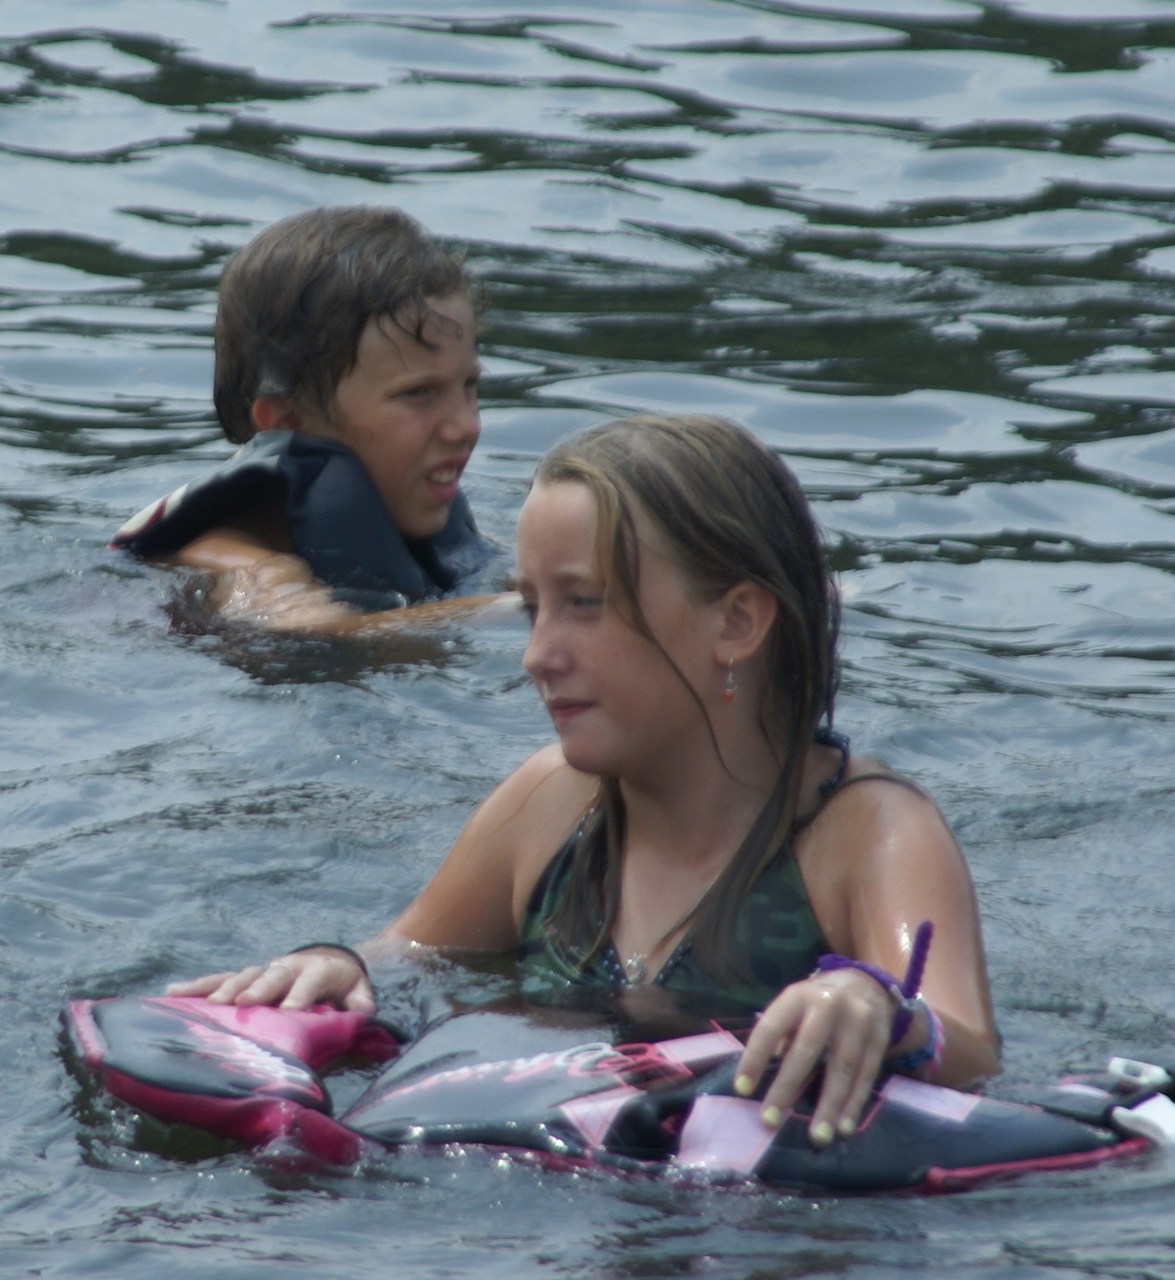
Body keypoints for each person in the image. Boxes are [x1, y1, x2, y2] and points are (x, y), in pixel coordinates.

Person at [170, 413, 1001, 1144]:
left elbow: (964, 1043)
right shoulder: (548, 806)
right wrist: (339, 964)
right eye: (534, 608)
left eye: (585, 603)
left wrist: (878, 1008)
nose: (536, 656)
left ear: (736, 622)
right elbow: (407, 957)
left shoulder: (863, 832)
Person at [113, 205, 504, 632]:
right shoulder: (238, 563)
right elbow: (325, 631)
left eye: (469, 385)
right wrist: (523, 609)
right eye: (418, 393)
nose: (466, 427)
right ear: (289, 420)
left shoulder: (418, 524)